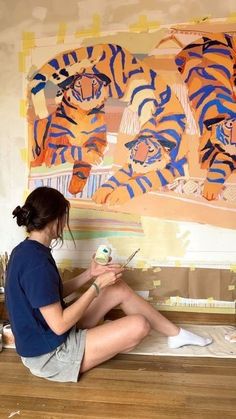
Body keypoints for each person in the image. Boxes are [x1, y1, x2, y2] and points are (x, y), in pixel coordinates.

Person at [5, 186, 212, 383]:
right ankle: (111, 339)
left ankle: (176, 335)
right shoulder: (37, 263)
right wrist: (96, 287)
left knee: (117, 288)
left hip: (47, 340)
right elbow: (59, 325)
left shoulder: (26, 251)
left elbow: (50, 294)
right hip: (50, 356)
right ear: (54, 219)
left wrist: (90, 274)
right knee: (139, 326)